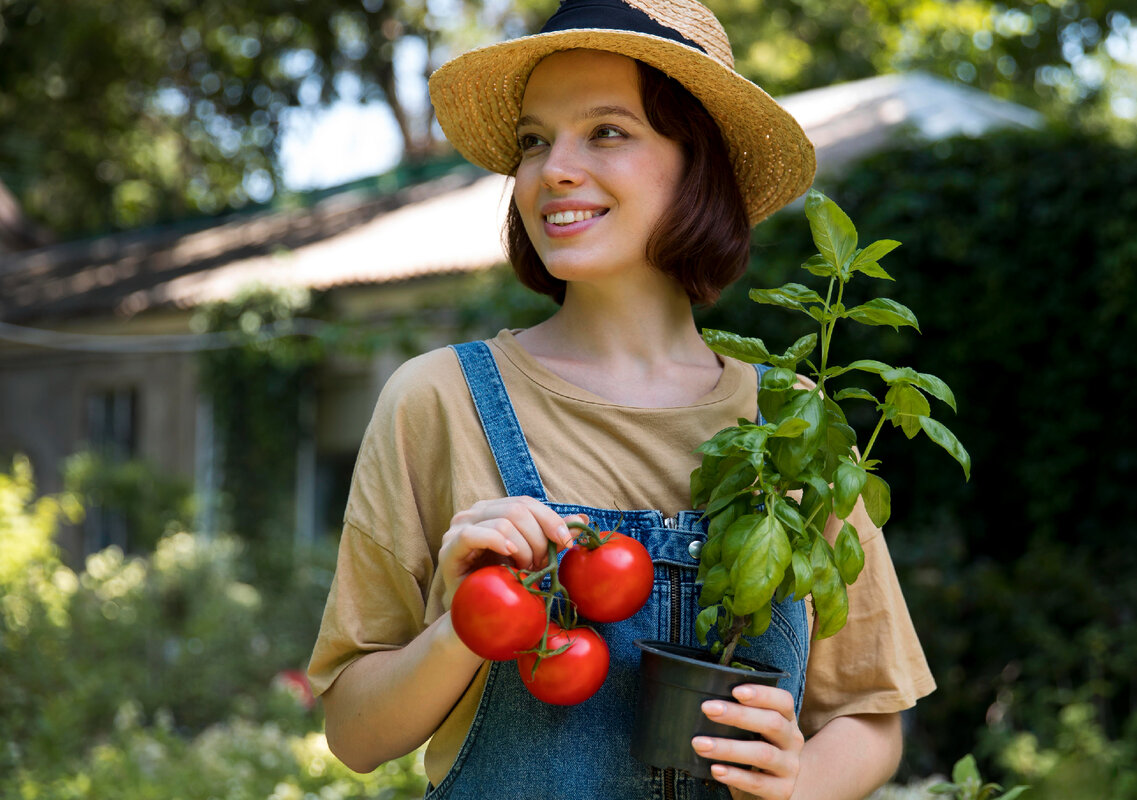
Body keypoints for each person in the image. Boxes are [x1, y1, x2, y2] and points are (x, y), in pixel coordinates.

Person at [307, 2, 935, 798]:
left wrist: (800, 779)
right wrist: (463, 625)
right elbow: (354, 736)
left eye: (606, 131)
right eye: (535, 140)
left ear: (699, 164)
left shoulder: (793, 425)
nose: (552, 169)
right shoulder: (438, 400)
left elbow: (871, 714)